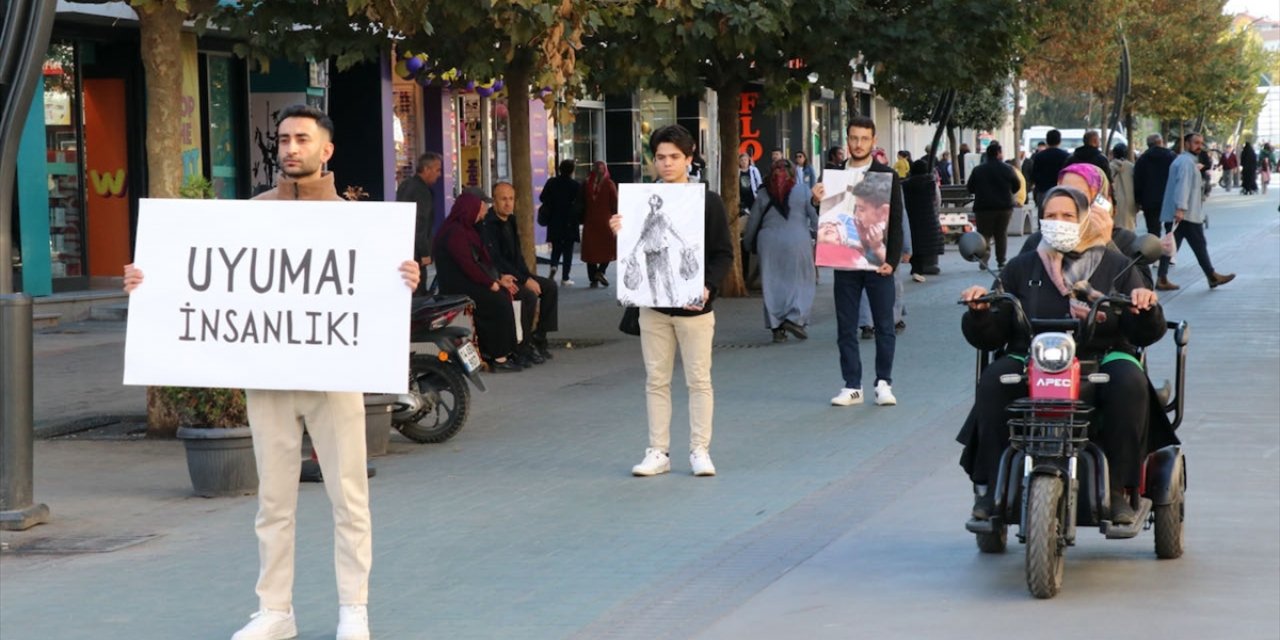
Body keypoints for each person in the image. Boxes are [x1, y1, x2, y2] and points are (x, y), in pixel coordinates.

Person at [125, 105, 420, 640]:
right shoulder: (252, 214)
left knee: (349, 497)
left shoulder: (361, 223)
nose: (290, 148)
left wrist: (405, 277)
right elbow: (203, 276)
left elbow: (378, 291)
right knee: (273, 501)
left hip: (335, 378)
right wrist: (149, 280)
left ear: (326, 150)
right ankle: (275, 611)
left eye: (302, 139)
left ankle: (354, 608)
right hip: (269, 380)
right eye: (283, 139)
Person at [957, 185, 1176, 525]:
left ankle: (1118, 488)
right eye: (1050, 215)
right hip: (1032, 355)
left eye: (1067, 216)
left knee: (1129, 383)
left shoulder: (1116, 264)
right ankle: (990, 487)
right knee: (994, 379)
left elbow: (1145, 332)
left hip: (1103, 354)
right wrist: (981, 311)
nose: (1058, 222)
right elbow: (994, 333)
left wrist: (1145, 308)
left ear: (1084, 219)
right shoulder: (1021, 267)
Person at [611, 124, 734, 478]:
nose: (667, 164)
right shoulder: (637, 202)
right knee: (656, 380)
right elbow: (628, 247)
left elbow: (724, 254)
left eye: (674, 157)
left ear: (689, 159)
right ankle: (658, 450)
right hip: (654, 308)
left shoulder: (705, 201)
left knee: (699, 380)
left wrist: (708, 286)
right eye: (661, 157)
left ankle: (699, 449)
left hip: (695, 308)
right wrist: (620, 231)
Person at [814, 116, 904, 408]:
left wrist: (892, 259)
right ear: (847, 138)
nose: (858, 144)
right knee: (846, 326)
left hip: (877, 263)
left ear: (873, 141)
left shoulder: (886, 175)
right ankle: (852, 385)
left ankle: (883, 382)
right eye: (853, 138)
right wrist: (816, 200)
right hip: (845, 262)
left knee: (884, 324)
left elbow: (897, 221)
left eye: (864, 138)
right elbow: (824, 214)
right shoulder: (833, 175)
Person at [436, 192, 524, 371]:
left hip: (469, 279)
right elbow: (467, 264)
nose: (482, 215)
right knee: (497, 302)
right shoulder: (455, 232)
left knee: (504, 295)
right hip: (458, 283)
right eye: (479, 211)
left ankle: (507, 351)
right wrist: (490, 283)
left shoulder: (467, 229)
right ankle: (498, 356)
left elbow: (482, 262)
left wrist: (496, 279)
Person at [481, 182, 559, 364]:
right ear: (494, 201)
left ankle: (539, 337)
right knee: (528, 296)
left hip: (517, 272)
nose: (508, 203)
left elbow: (518, 256)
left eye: (511, 199)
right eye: (503, 199)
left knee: (550, 287)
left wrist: (528, 276)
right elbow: (497, 260)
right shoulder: (489, 225)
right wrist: (525, 281)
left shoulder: (511, 220)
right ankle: (522, 346)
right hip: (501, 276)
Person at [744, 158, 818, 343]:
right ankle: (795, 317)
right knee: (801, 280)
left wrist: (747, 243)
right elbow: (814, 217)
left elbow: (753, 221)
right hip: (798, 241)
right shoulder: (802, 190)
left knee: (772, 283)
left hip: (768, 243)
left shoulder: (763, 193)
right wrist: (824, 237)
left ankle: (776, 327)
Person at [1155, 133, 1235, 291]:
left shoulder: (1186, 161)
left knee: (1172, 246)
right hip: (1186, 214)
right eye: (1196, 143)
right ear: (1186, 144)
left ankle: (1163, 278)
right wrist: (1180, 208)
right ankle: (1211, 276)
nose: (1199, 146)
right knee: (1194, 245)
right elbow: (1182, 186)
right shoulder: (1186, 162)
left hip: (1184, 213)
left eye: (1201, 143)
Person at [966, 142, 1020, 268]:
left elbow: (970, 188)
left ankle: (984, 259)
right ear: (998, 154)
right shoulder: (1008, 168)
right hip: (1004, 207)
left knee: (984, 234)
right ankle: (1001, 261)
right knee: (1001, 234)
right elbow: (1016, 185)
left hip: (983, 207)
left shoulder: (978, 170)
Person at [396, 151, 442, 295]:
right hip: (415, 253)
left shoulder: (405, 184)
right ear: (426, 169)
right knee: (418, 293)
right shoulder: (421, 191)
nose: (439, 174)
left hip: (403, 248)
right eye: (437, 170)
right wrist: (425, 252)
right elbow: (419, 223)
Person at [902, 159, 944, 280]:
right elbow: (938, 199)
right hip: (928, 216)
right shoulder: (931, 183)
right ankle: (928, 265)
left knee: (914, 240)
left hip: (911, 216)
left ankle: (916, 267)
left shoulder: (905, 185)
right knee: (926, 241)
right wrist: (935, 211)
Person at [540, 159, 581, 285]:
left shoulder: (551, 182)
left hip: (554, 220)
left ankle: (553, 266)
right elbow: (580, 203)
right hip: (569, 221)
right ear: (572, 170)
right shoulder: (575, 185)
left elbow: (542, 197)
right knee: (568, 249)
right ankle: (565, 277)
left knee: (556, 247)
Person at [581, 161, 618, 288]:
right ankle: (601, 271)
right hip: (605, 221)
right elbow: (615, 203)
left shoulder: (586, 184)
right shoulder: (609, 184)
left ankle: (593, 278)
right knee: (608, 248)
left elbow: (582, 202)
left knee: (590, 250)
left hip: (590, 221)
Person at [1133, 133, 1176, 236]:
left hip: (1149, 201)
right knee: (1170, 230)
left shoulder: (1142, 160)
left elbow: (1137, 181)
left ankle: (1155, 250)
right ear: (1160, 142)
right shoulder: (1171, 156)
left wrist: (1138, 200)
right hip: (1169, 199)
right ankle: (1168, 250)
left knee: (1153, 231)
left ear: (1148, 145)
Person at [1030, 129, 1070, 216]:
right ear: (1059, 141)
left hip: (1043, 191)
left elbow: (1034, 175)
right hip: (1060, 191)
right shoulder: (1066, 156)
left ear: (1047, 141)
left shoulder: (1039, 156)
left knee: (1044, 216)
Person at [1109, 143, 1138, 231]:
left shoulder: (1109, 167)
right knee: (1129, 230)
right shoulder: (1132, 167)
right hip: (1130, 202)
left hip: (1114, 202)